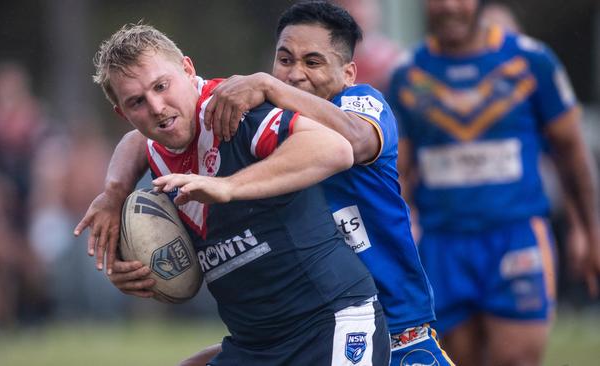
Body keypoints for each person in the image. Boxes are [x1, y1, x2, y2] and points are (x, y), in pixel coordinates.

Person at [76, 2, 452, 365]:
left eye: (313, 62)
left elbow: (350, 144)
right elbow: (147, 136)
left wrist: (267, 87)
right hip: (295, 325)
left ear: (349, 73)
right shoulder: (252, 117)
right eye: (284, 60)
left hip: (393, 324)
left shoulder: (358, 105)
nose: (294, 74)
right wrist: (115, 199)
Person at [387, 0, 600, 365]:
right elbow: (397, 174)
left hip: (516, 237)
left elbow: (571, 150)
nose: (450, 6)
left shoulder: (531, 62)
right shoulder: (408, 75)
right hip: (443, 245)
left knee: (515, 359)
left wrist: (590, 231)